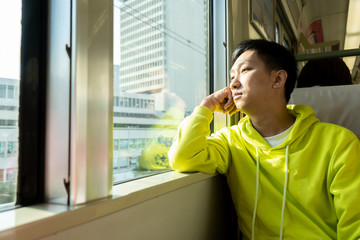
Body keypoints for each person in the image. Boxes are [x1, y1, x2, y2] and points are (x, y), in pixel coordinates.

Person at [168, 39, 360, 239]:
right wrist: (207, 107)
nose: (233, 83)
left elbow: (355, 226)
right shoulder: (232, 140)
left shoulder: (339, 142)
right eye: (232, 75)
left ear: (277, 80)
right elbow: (183, 157)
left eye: (245, 70)